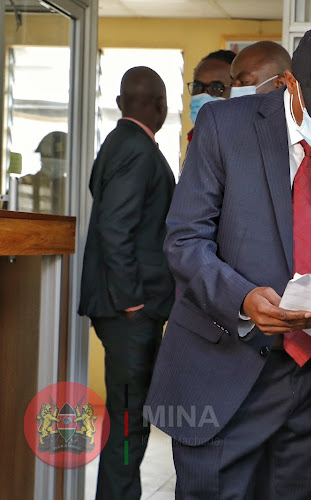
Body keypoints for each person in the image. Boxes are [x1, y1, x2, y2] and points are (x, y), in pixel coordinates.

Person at [145, 21, 311, 499]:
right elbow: (185, 239)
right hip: (221, 369)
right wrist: (243, 298)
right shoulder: (226, 127)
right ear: (290, 84)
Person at [79, 66, 175, 500]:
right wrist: (133, 302)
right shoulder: (138, 149)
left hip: (120, 310)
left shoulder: (117, 142)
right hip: (128, 312)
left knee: (127, 421)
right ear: (162, 106)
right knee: (127, 423)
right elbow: (115, 228)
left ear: (120, 104)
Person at [187, 49, 236, 141]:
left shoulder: (247, 142)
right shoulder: (194, 138)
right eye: (197, 87)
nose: (203, 94)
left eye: (216, 88)